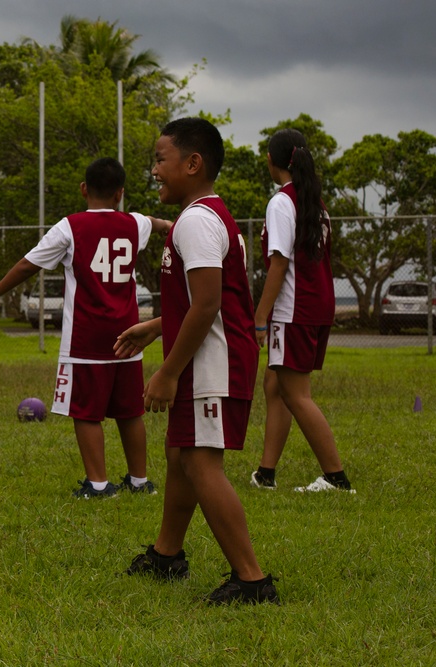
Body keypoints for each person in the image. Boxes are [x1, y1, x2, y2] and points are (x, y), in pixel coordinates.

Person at [114, 118, 277, 605]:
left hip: (213, 365)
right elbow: (209, 299)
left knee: (202, 464)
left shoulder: (198, 221)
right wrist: (157, 324)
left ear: (193, 163)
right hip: (209, 358)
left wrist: (167, 372)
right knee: (180, 455)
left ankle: (252, 581)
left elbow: (208, 306)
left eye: (161, 160)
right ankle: (168, 556)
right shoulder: (206, 216)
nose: (154, 170)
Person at [0, 157, 169, 499]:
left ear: (84, 189)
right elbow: (158, 224)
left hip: (86, 339)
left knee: (85, 412)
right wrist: (178, 226)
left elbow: (27, 265)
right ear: (120, 194)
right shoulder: (134, 223)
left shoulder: (70, 226)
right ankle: (139, 482)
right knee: (130, 412)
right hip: (130, 335)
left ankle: (98, 485)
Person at [250, 129, 353, 493]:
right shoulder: (315, 201)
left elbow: (279, 263)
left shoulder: (282, 202)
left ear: (271, 160)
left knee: (296, 394)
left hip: (294, 310)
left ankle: (335, 477)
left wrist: (260, 318)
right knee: (275, 384)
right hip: (317, 304)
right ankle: (266, 473)